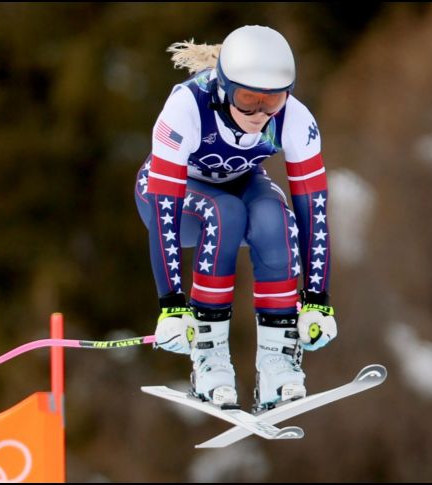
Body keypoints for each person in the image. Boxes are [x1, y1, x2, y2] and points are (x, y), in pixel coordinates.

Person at [134, 25, 337, 411]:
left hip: (241, 184)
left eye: (272, 101)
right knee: (224, 212)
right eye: (247, 99)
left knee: (273, 216)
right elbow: (164, 209)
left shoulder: (294, 117)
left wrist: (317, 301)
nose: (260, 114)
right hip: (174, 200)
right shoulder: (186, 106)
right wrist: (172, 305)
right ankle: (210, 359)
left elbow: (314, 209)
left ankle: (279, 363)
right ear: (224, 86)